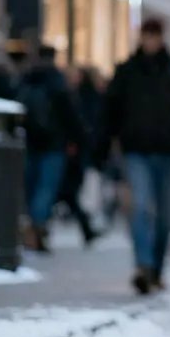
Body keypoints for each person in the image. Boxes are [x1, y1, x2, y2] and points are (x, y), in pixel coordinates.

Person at [101, 19, 170, 295]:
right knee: (141, 207)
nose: (150, 41)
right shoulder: (128, 71)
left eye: (154, 36)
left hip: (169, 151)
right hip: (137, 149)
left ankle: (155, 267)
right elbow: (111, 110)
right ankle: (143, 264)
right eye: (147, 36)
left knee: (165, 215)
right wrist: (110, 140)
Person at [17, 45, 84, 253]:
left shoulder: (27, 79)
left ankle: (33, 227)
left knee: (32, 187)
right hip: (54, 143)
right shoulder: (57, 80)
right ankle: (38, 226)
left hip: (31, 141)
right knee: (46, 188)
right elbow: (70, 113)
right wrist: (76, 138)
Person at [57, 67, 102, 247]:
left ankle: (86, 227)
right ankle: (86, 228)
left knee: (68, 192)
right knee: (68, 193)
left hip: (75, 151)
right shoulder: (76, 96)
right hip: (76, 150)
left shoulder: (80, 97)